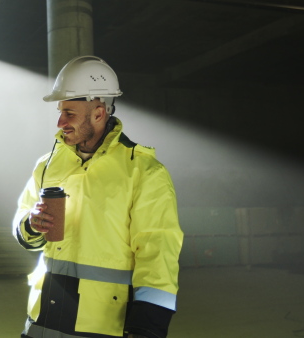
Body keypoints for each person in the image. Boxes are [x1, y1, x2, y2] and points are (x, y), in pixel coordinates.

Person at [12, 55, 183, 338]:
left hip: (103, 326)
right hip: (42, 320)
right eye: (60, 111)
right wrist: (31, 225)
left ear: (99, 113)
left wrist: (147, 327)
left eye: (70, 113)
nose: (59, 122)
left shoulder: (143, 171)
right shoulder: (47, 164)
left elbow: (158, 253)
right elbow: (23, 228)